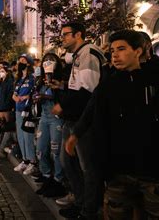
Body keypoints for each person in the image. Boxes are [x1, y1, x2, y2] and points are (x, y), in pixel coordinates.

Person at [93, 30, 159, 219]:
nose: (115, 55)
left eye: (121, 49)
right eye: (112, 50)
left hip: (156, 171)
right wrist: (103, 168)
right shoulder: (108, 86)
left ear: (138, 51)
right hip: (119, 171)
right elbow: (100, 126)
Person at [51, 22, 106, 219]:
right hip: (73, 118)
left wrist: (63, 106)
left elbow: (89, 90)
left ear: (79, 35)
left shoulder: (88, 53)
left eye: (66, 35)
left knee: (87, 168)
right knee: (69, 163)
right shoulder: (78, 55)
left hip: (84, 121)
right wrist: (63, 85)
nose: (63, 38)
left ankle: (89, 210)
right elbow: (78, 86)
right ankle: (81, 201)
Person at [33, 53, 67, 198]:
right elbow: (36, 94)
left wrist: (53, 91)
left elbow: (66, 96)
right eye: (46, 60)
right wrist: (36, 98)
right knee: (40, 149)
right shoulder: (41, 80)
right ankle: (46, 176)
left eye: (51, 60)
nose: (48, 62)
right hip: (44, 118)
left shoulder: (62, 78)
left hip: (56, 118)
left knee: (56, 151)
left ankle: (58, 181)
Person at [12, 59, 37, 176]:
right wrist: (15, 97)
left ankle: (32, 161)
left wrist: (27, 97)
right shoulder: (18, 80)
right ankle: (25, 160)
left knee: (28, 136)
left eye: (22, 60)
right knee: (21, 136)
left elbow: (34, 92)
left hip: (27, 111)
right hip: (18, 109)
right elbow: (14, 93)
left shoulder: (32, 78)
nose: (19, 63)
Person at [0, 63, 15, 159]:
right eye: (0, 71)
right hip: (0, 108)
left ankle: (2, 149)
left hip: (6, 109)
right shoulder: (1, 81)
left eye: (2, 71)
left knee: (6, 129)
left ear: (7, 72)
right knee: (0, 128)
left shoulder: (9, 82)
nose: (1, 73)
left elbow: (9, 96)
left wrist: (5, 107)